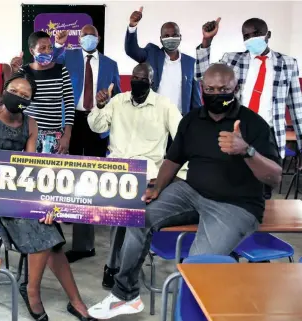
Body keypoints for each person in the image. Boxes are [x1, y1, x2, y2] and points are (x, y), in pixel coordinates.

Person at [88, 63, 282, 319]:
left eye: (224, 89)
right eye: (211, 89)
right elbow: (173, 159)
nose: (217, 94)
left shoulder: (253, 124)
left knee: (196, 265)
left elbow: (275, 177)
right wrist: (157, 187)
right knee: (137, 217)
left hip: (236, 206)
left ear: (236, 88)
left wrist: (246, 151)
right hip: (192, 193)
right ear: (202, 89)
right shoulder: (192, 120)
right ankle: (126, 295)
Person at [0, 72, 96, 321]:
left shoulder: (31, 124)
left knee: (52, 231)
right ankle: (34, 291)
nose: (19, 97)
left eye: (26, 95)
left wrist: (43, 202)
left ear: (30, 101)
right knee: (47, 232)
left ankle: (74, 300)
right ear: (3, 91)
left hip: (19, 184)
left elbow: (29, 166)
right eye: (14, 91)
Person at [87, 63, 184, 290]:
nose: (138, 81)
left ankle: (116, 266)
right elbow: (96, 126)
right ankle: (119, 266)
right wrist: (100, 106)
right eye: (135, 77)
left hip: (147, 173)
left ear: (152, 81)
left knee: (127, 216)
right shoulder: (118, 101)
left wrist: (176, 173)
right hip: (117, 171)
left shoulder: (164, 105)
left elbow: (182, 136)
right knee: (122, 216)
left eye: (143, 78)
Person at [50, 25, 122, 264]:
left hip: (98, 124)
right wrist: (58, 45)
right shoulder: (67, 56)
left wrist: (108, 101)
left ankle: (84, 245)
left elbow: (119, 97)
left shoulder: (110, 64)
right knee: (65, 179)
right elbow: (50, 63)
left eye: (91, 35)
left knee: (90, 182)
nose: (88, 38)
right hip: (70, 121)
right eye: (84, 35)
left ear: (98, 38)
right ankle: (55, 238)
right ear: (79, 39)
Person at [196, 17, 302, 166]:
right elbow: (204, 76)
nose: (251, 38)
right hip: (237, 129)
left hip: (269, 132)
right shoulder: (232, 60)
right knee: (233, 176)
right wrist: (207, 41)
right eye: (246, 36)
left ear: (268, 34)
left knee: (265, 180)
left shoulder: (288, 64)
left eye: (256, 33)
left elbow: (297, 108)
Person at [125, 6, 202, 115]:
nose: (170, 38)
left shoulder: (191, 63)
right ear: (160, 39)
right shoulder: (151, 53)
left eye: (174, 35)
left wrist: (196, 121)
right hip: (154, 117)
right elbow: (131, 50)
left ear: (180, 37)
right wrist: (132, 26)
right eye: (166, 36)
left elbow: (195, 98)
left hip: (180, 119)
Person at [10, 31, 75, 155]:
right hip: (27, 135)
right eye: (42, 48)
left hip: (55, 137)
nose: (47, 51)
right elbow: (14, 104)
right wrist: (14, 73)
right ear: (32, 51)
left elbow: (69, 105)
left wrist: (67, 136)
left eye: (50, 47)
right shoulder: (24, 71)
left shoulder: (61, 70)